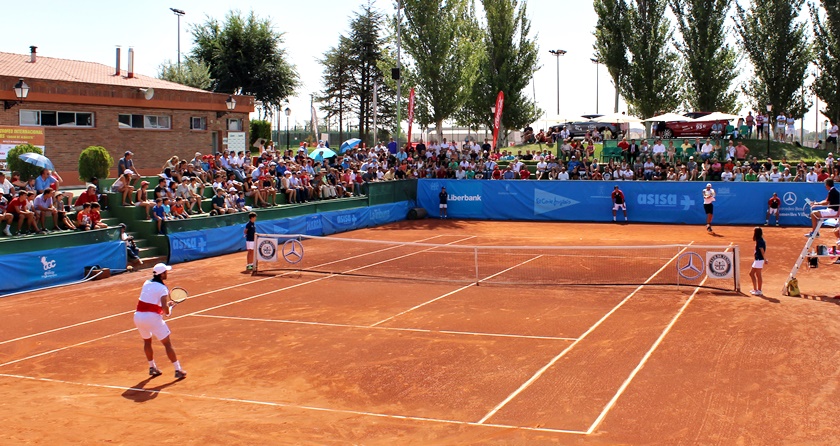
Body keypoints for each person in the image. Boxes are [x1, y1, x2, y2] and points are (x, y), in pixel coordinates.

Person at [133, 263, 186, 379]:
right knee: (167, 343)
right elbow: (165, 310)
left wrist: (166, 306)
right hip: (151, 318)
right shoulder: (163, 288)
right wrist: (169, 309)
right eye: (166, 272)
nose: (167, 273)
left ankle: (152, 367)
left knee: (147, 342)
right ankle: (178, 370)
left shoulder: (146, 283)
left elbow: (150, 302)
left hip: (138, 317)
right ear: (162, 274)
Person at [749, 227, 767, 296]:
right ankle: (756, 289)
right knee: (752, 274)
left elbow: (762, 251)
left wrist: (765, 259)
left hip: (759, 260)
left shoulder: (760, 241)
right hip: (757, 259)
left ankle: (759, 290)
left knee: (757, 275)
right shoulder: (759, 240)